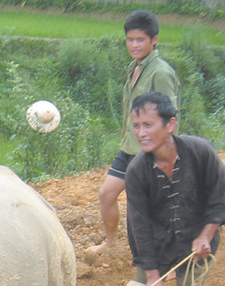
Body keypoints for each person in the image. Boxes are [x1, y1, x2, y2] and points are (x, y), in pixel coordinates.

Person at [124, 91, 225, 286]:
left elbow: (220, 199)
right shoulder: (137, 171)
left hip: (196, 242)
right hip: (156, 246)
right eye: (136, 126)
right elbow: (139, 224)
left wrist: (206, 235)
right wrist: (151, 275)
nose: (141, 133)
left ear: (170, 124)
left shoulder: (200, 153)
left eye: (148, 125)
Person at [90, 10, 179, 259]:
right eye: (130, 39)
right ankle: (111, 244)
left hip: (150, 153)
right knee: (106, 194)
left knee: (142, 208)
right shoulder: (135, 68)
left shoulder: (160, 73)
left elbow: (169, 116)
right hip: (129, 148)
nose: (135, 45)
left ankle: (153, 258)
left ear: (155, 40)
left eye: (141, 39)